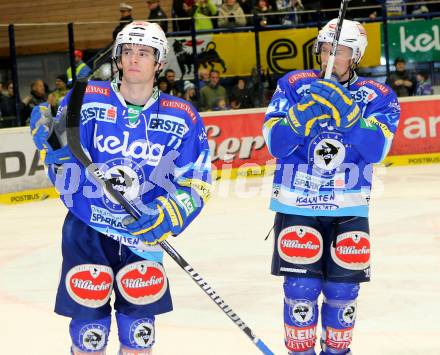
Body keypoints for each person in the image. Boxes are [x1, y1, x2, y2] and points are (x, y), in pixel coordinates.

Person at [30, 21, 211, 355]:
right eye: (127, 51)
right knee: (89, 334)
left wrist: (167, 215)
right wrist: (54, 153)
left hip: (142, 235)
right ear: (117, 57)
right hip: (87, 229)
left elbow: (197, 182)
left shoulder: (183, 115)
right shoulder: (85, 99)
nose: (133, 59)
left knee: (138, 334)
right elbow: (65, 174)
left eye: (144, 53)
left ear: (160, 63)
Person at [262, 18, 400, 355]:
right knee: (300, 288)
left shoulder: (379, 95)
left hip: (349, 206)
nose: (329, 58)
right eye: (325, 49)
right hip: (297, 204)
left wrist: (350, 116)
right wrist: (302, 113)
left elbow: (376, 150)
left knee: (343, 294)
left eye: (339, 51)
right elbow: (275, 144)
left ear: (356, 56)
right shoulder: (294, 84)